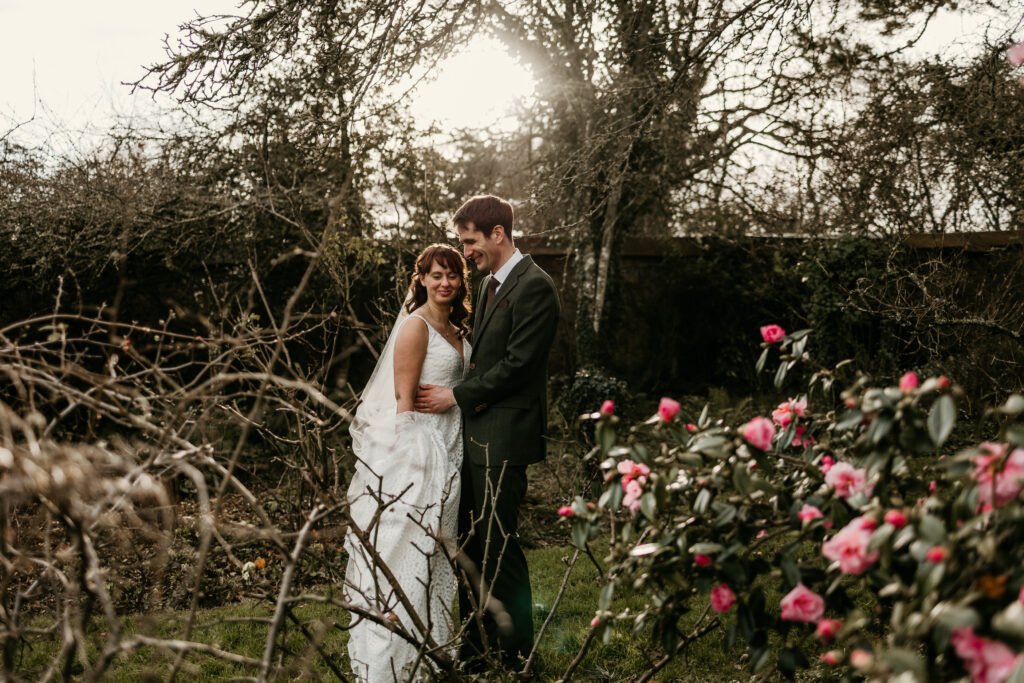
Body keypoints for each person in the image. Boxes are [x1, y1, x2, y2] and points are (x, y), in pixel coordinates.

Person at [416, 195, 561, 671]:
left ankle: (521, 657)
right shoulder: (490, 285)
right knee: (473, 545)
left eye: (470, 241)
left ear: (498, 234)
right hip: (475, 436)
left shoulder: (534, 286)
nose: (466, 251)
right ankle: (479, 650)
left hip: (505, 437)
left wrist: (455, 397)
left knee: (501, 545)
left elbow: (519, 366)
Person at [344, 244, 472, 682]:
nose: (445, 283)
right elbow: (403, 405)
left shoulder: (458, 329)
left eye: (452, 275)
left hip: (452, 451)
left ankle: (433, 657)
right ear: (422, 280)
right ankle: (393, 665)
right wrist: (413, 470)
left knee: (437, 558)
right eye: (436, 275)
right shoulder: (415, 328)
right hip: (421, 458)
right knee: (407, 554)